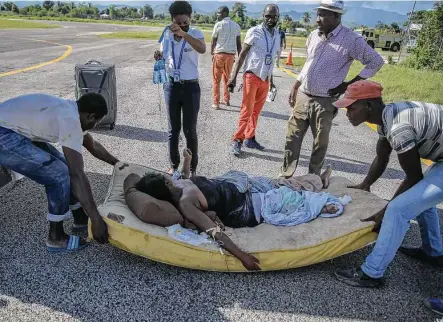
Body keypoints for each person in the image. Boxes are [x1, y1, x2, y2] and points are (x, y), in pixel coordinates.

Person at [130, 160, 344, 271]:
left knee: (284, 183)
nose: (170, 178)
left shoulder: (178, 182)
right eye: (166, 179)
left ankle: (320, 181)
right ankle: (320, 197)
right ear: (165, 185)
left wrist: (187, 161)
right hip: (248, 207)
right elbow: (213, 231)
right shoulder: (186, 204)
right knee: (290, 197)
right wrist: (242, 256)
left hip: (241, 188)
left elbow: (184, 175)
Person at [331, 80, 443, 288]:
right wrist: (365, 184)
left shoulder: (399, 127)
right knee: (419, 200)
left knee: (398, 209)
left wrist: (384, 211)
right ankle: (433, 252)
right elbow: (382, 157)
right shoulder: (386, 116)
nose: (347, 113)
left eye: (351, 108)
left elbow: (414, 176)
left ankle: (371, 273)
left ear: (369, 106)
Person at [0, 93, 120, 252]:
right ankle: (55, 238)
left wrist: (118, 164)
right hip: (4, 133)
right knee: (59, 174)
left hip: (15, 129)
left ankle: (79, 218)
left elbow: (93, 145)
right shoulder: (70, 120)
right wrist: (96, 218)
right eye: (97, 122)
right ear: (91, 116)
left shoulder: (73, 111)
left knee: (64, 165)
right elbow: (77, 174)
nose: (95, 125)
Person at [280, 0, 384, 177]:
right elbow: (308, 62)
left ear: (336, 16)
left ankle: (312, 179)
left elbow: (376, 61)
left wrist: (348, 84)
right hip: (304, 95)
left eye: (323, 14)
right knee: (292, 137)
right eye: (317, 14)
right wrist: (296, 84)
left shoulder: (351, 40)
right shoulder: (314, 35)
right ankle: (286, 174)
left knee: (319, 142)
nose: (317, 19)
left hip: (325, 101)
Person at [158, 0, 206, 176]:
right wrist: (158, 56)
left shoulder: (195, 33)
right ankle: (174, 165)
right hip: (171, 86)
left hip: (191, 87)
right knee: (173, 129)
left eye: (186, 22)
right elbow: (164, 55)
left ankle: (192, 169)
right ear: (172, 20)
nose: (182, 26)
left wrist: (184, 34)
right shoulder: (166, 34)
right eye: (178, 23)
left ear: (190, 19)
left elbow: (202, 49)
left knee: (190, 130)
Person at [227, 4, 280, 156]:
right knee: (247, 110)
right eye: (267, 16)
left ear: (277, 17)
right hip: (251, 75)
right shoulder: (254, 31)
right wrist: (233, 77)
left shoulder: (277, 34)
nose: (270, 19)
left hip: (265, 78)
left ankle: (249, 137)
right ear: (263, 16)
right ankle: (237, 140)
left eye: (273, 16)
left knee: (256, 111)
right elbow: (242, 55)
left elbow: (272, 57)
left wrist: (271, 79)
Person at [211, 6, 242, 110]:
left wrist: (212, 53)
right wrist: (239, 57)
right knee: (227, 78)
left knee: (216, 79)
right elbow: (238, 43)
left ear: (224, 13)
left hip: (220, 54)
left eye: (219, 13)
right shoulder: (236, 26)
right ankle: (226, 99)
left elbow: (213, 41)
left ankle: (216, 102)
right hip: (231, 56)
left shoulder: (218, 25)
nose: (217, 15)